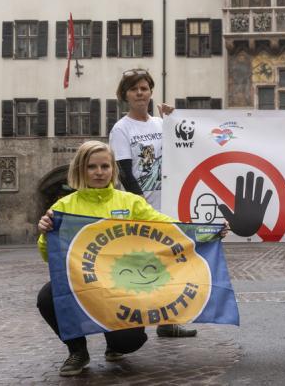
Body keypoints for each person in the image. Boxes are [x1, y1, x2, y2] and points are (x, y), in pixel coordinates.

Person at [36, 141, 180, 376]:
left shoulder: (130, 202)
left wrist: (207, 229)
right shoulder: (63, 206)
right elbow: (48, 256)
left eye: (105, 166)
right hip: (82, 283)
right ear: (81, 170)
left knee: (130, 342)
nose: (99, 172)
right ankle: (77, 350)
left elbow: (165, 226)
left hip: (121, 284)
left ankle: (115, 344)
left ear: (113, 169)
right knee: (47, 296)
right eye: (92, 167)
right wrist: (45, 234)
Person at [108, 68, 196, 338]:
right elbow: (125, 172)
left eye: (144, 88)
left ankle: (167, 322)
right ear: (125, 95)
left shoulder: (160, 124)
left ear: (150, 92)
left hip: (167, 205)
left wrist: (174, 117)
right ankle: (133, 321)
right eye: (134, 89)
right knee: (145, 265)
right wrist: (142, 207)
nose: (139, 93)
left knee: (169, 263)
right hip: (142, 209)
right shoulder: (121, 129)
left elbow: (188, 144)